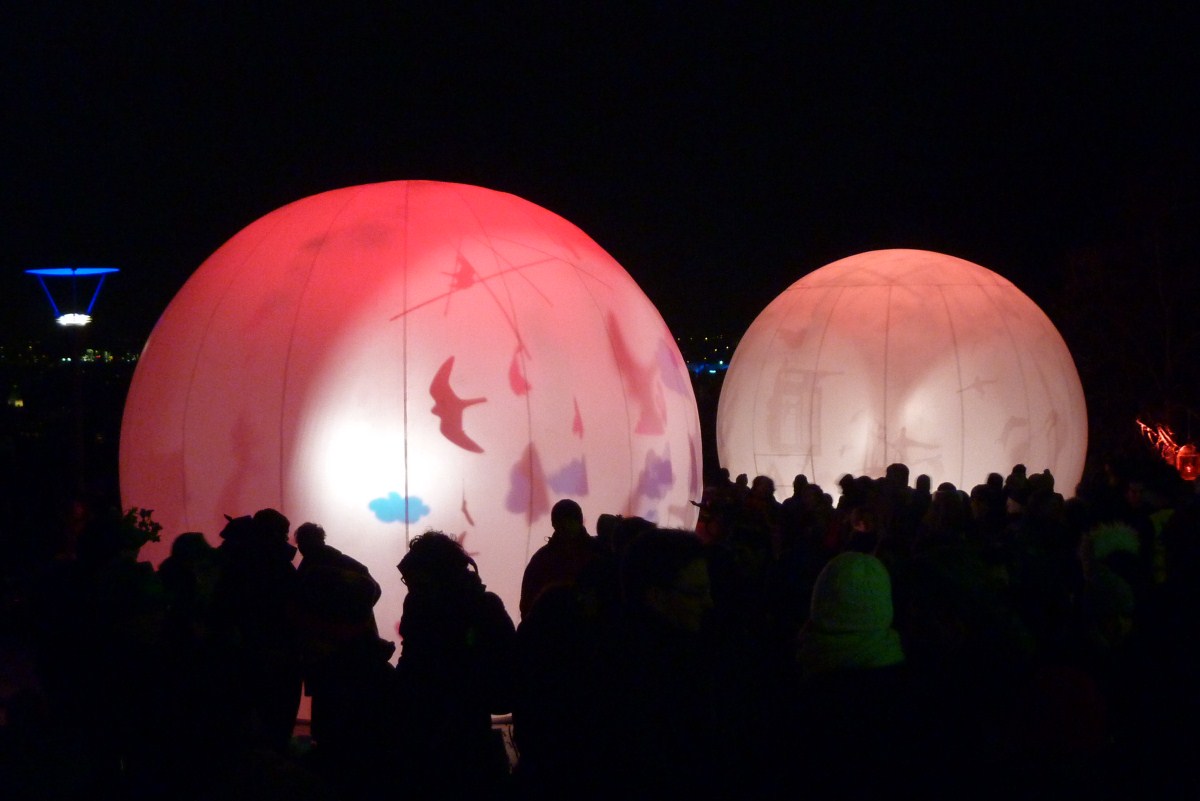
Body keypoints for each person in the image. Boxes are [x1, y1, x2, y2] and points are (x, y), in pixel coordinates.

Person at [394, 531, 516, 796]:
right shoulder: (482, 605)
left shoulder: (421, 603)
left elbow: (411, 657)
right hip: (464, 729)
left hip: (442, 730)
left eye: (415, 580)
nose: (410, 586)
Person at [519, 498, 598, 619]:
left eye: (569, 521)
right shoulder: (598, 551)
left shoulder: (541, 558)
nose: (566, 527)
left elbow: (527, 607)